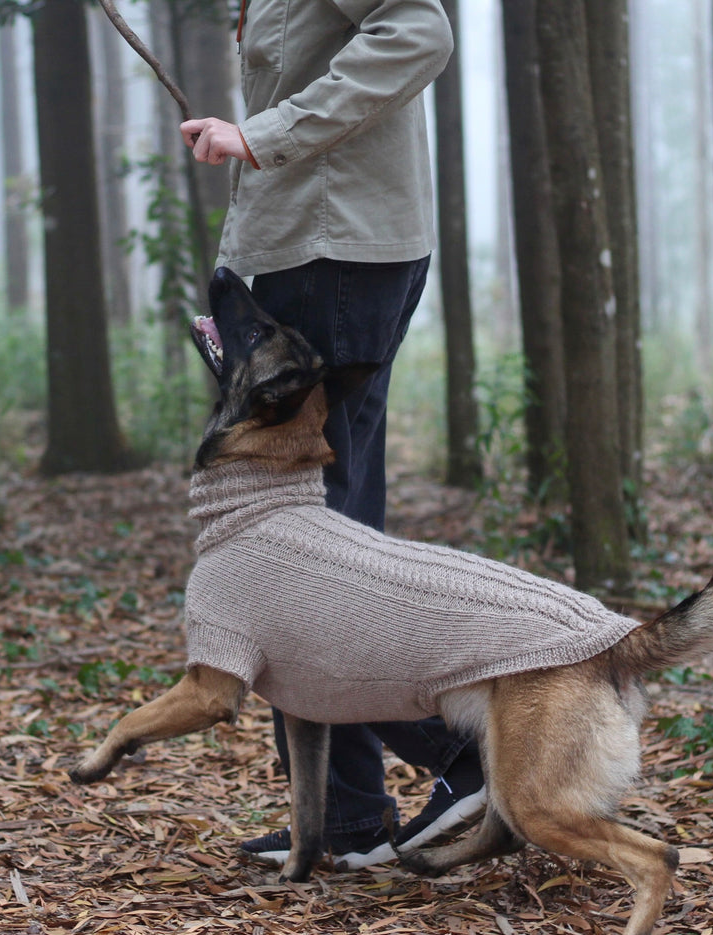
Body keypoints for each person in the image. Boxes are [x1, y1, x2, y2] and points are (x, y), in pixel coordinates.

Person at [180, 0, 485, 870]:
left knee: (305, 556)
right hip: (302, 251)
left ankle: (468, 757)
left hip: (336, 256)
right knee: (322, 539)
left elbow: (420, 33)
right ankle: (347, 811)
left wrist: (264, 132)